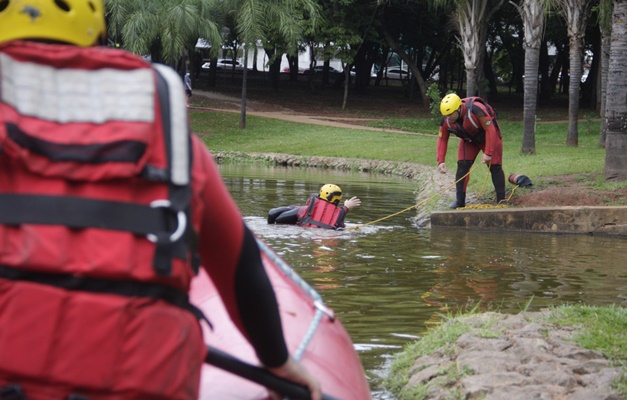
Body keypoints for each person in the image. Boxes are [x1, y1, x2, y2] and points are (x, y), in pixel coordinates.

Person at [0, 1, 320, 400]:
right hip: (145, 379)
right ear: (99, 41)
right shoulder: (179, 152)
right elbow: (244, 271)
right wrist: (276, 361)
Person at [436, 93, 506, 208]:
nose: (448, 117)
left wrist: (488, 152)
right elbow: (442, 139)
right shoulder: (446, 120)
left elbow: (490, 130)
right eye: (446, 115)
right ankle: (460, 201)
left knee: (495, 166)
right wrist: (441, 160)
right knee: (462, 166)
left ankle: (501, 200)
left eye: (450, 114)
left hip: (489, 137)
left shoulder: (477, 109)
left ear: (458, 108)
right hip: (469, 141)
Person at [268, 184, 361, 230]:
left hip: (302, 232)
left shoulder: (304, 210)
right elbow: (341, 227)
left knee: (292, 209)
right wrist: (346, 206)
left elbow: (273, 215)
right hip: (326, 236)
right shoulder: (339, 215)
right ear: (338, 200)